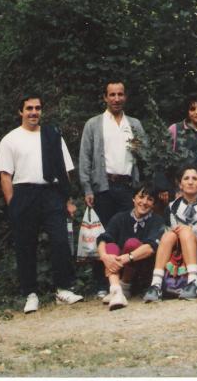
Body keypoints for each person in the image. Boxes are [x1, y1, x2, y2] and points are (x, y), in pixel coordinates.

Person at [0, 94, 83, 314]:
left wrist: (68, 199)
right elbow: (5, 175)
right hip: (24, 194)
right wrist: (13, 205)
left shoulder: (53, 135)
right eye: (29, 108)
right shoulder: (10, 139)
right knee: (25, 245)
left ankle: (63, 289)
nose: (34, 112)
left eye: (37, 108)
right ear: (21, 111)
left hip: (52, 193)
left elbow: (64, 171)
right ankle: (30, 294)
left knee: (60, 240)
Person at [79, 81, 146, 297]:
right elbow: (85, 157)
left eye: (120, 94)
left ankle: (126, 282)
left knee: (127, 233)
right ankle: (103, 284)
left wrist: (139, 149)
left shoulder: (133, 124)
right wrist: (87, 188)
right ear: (105, 97)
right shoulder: (94, 124)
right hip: (104, 186)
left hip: (128, 187)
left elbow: (145, 155)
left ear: (125, 97)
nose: (116, 99)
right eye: (112, 95)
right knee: (104, 235)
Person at [143, 165, 197, 303]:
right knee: (168, 235)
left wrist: (186, 231)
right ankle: (156, 284)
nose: (190, 182)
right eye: (186, 178)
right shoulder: (172, 207)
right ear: (180, 184)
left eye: (194, 179)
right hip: (178, 254)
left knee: (185, 231)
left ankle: (194, 282)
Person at [96, 183, 165, 310]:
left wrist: (126, 258)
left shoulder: (157, 220)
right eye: (141, 197)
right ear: (133, 198)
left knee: (132, 243)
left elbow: (150, 248)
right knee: (110, 246)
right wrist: (104, 257)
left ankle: (123, 287)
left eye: (150, 199)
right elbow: (102, 240)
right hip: (119, 270)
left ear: (154, 204)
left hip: (143, 272)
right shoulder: (120, 217)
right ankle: (116, 290)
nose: (144, 202)